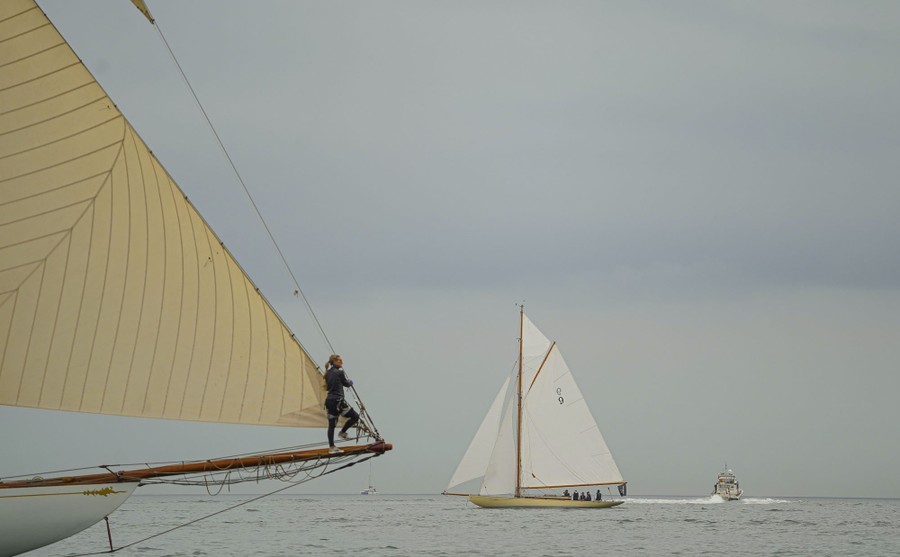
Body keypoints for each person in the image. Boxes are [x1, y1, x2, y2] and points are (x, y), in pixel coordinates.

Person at [324, 354, 360, 454]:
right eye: (340, 361)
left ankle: (331, 447)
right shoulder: (339, 372)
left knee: (331, 426)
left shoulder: (327, 373)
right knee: (355, 416)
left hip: (329, 401)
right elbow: (346, 384)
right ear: (334, 361)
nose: (342, 363)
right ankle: (342, 432)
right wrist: (350, 382)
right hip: (337, 401)